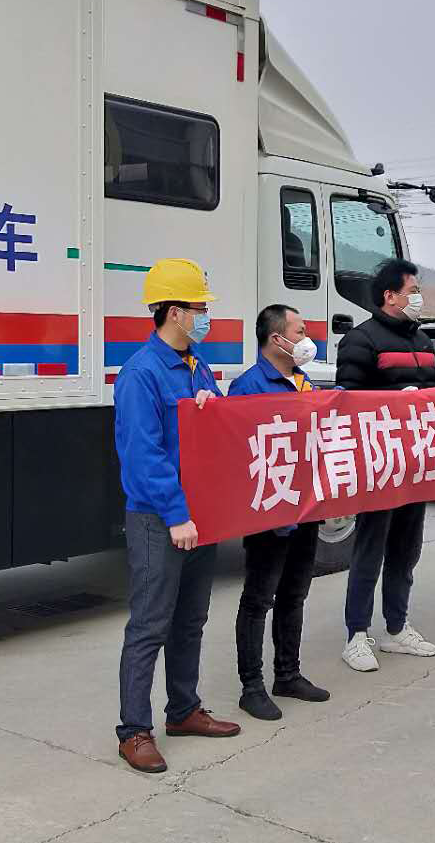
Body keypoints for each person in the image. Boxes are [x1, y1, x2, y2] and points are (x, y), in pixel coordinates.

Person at [113, 258, 241, 774]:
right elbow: (143, 456)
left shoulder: (197, 365)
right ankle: (133, 731)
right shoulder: (141, 373)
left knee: (190, 620)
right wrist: (175, 514)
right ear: (174, 312)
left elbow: (211, 434)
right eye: (199, 307)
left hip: (199, 514)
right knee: (150, 625)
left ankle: (184, 710)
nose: (205, 316)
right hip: (159, 520)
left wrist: (215, 406)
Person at [334, 258, 435, 671]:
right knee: (370, 550)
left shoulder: (424, 341)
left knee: (406, 550)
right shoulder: (361, 340)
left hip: (417, 462)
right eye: (412, 291)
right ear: (389, 296)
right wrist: (394, 403)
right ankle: (356, 635)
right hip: (380, 462)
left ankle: (396, 628)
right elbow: (347, 401)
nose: (418, 298)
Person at [226, 305, 331, 720]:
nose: (307, 339)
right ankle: (251, 686)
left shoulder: (304, 382)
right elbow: (236, 451)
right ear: (277, 339)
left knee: (294, 593)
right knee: (258, 598)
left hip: (306, 508)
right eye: (300, 332)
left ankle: (288, 674)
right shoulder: (248, 387)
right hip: (269, 514)